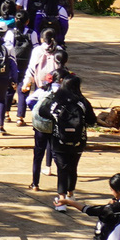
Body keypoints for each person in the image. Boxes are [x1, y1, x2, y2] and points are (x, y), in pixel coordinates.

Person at [35, 71, 96, 201]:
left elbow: (42, 112)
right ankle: (71, 195)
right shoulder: (82, 101)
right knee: (73, 167)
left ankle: (61, 198)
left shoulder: (56, 99)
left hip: (59, 139)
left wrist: (55, 118)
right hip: (79, 140)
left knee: (62, 168)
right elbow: (92, 120)